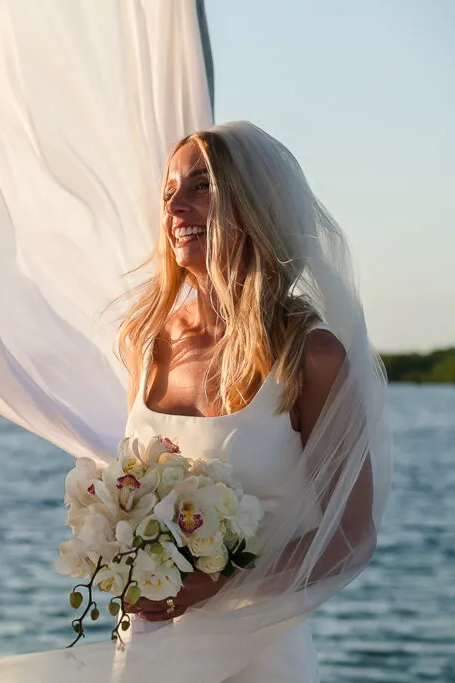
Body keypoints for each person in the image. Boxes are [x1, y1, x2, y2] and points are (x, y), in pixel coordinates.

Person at [113, 121, 385, 682]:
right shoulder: (144, 344)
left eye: (201, 186)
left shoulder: (310, 357)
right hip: (147, 648)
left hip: (260, 657)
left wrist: (229, 578)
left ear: (254, 204)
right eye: (169, 193)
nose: (176, 207)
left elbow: (351, 537)